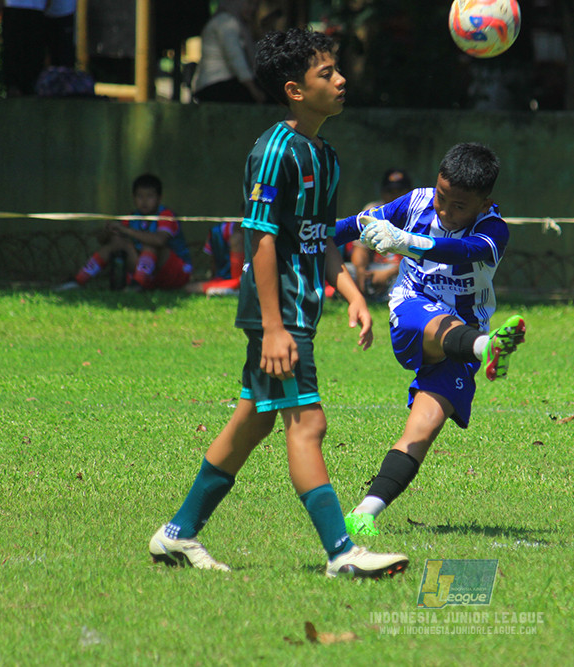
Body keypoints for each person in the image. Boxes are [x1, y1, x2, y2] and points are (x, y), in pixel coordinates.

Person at [148, 27, 409, 579]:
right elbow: (260, 239)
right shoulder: (272, 153)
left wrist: (354, 294)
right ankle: (343, 552)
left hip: (299, 311)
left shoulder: (326, 156)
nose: (340, 81)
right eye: (326, 74)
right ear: (295, 90)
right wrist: (272, 326)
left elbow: (323, 240)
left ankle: (178, 535)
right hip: (280, 315)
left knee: (253, 422)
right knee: (306, 423)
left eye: (338, 71)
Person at [333, 142, 527, 537]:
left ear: (484, 202)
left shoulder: (493, 229)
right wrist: (290, 247)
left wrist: (405, 242)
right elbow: (353, 226)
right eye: (442, 197)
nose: (445, 210)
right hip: (412, 312)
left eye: (459, 206)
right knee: (441, 324)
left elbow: (464, 250)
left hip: (462, 335)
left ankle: (364, 513)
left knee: (421, 432)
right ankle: (486, 348)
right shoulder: (416, 201)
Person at [58, 174, 193, 291]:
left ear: (159, 198)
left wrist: (125, 230)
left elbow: (160, 240)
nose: (144, 201)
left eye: (150, 196)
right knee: (117, 242)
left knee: (151, 245)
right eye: (140, 196)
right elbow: (103, 240)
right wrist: (108, 231)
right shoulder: (132, 217)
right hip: (150, 272)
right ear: (133, 198)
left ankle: (137, 285)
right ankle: (79, 280)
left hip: (177, 272)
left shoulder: (166, 215)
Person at [346, 168, 412, 299]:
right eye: (390, 191)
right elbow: (360, 249)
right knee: (345, 271)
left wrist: (389, 273)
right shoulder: (374, 209)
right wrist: (361, 271)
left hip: (403, 269)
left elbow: (421, 259)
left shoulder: (417, 213)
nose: (395, 196)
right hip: (374, 268)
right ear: (382, 192)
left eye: (400, 191)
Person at [193, 0, 267, 104]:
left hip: (222, 85)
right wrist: (254, 90)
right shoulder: (226, 21)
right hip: (215, 85)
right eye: (249, 3)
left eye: (255, 4)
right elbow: (236, 59)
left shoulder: (240, 24)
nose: (253, 8)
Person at [185, 220, 245, 295]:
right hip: (226, 279)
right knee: (190, 287)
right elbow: (213, 263)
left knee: (237, 238)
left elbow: (238, 281)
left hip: (241, 282)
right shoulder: (217, 232)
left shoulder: (244, 236)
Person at [2, 0, 47, 96]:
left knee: (34, 51)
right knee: (13, 49)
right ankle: (14, 87)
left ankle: (31, 87)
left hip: (36, 8)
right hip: (14, 7)